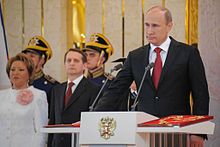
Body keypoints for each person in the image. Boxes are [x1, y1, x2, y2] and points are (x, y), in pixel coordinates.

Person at [94, 5, 210, 146]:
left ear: (169, 26)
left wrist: (198, 131)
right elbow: (115, 91)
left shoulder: (188, 53)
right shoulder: (135, 56)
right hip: (143, 133)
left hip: (178, 132)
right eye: (147, 25)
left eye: (155, 26)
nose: (149, 31)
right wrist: (93, 118)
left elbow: (200, 94)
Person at [48, 48, 100, 147]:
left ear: (84, 65)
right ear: (64, 64)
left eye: (76, 61)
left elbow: (93, 122)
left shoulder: (94, 89)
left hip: (79, 142)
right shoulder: (57, 89)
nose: (71, 63)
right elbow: (53, 121)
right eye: (68, 60)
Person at [0, 53, 48, 147]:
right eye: (12, 70)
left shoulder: (38, 95)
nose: (15, 73)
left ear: (29, 73)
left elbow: (41, 131)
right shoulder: (1, 95)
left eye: (21, 70)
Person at [22, 36, 59, 116]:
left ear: (42, 59)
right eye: (26, 56)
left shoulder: (52, 87)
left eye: (32, 56)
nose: (28, 59)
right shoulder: (19, 83)